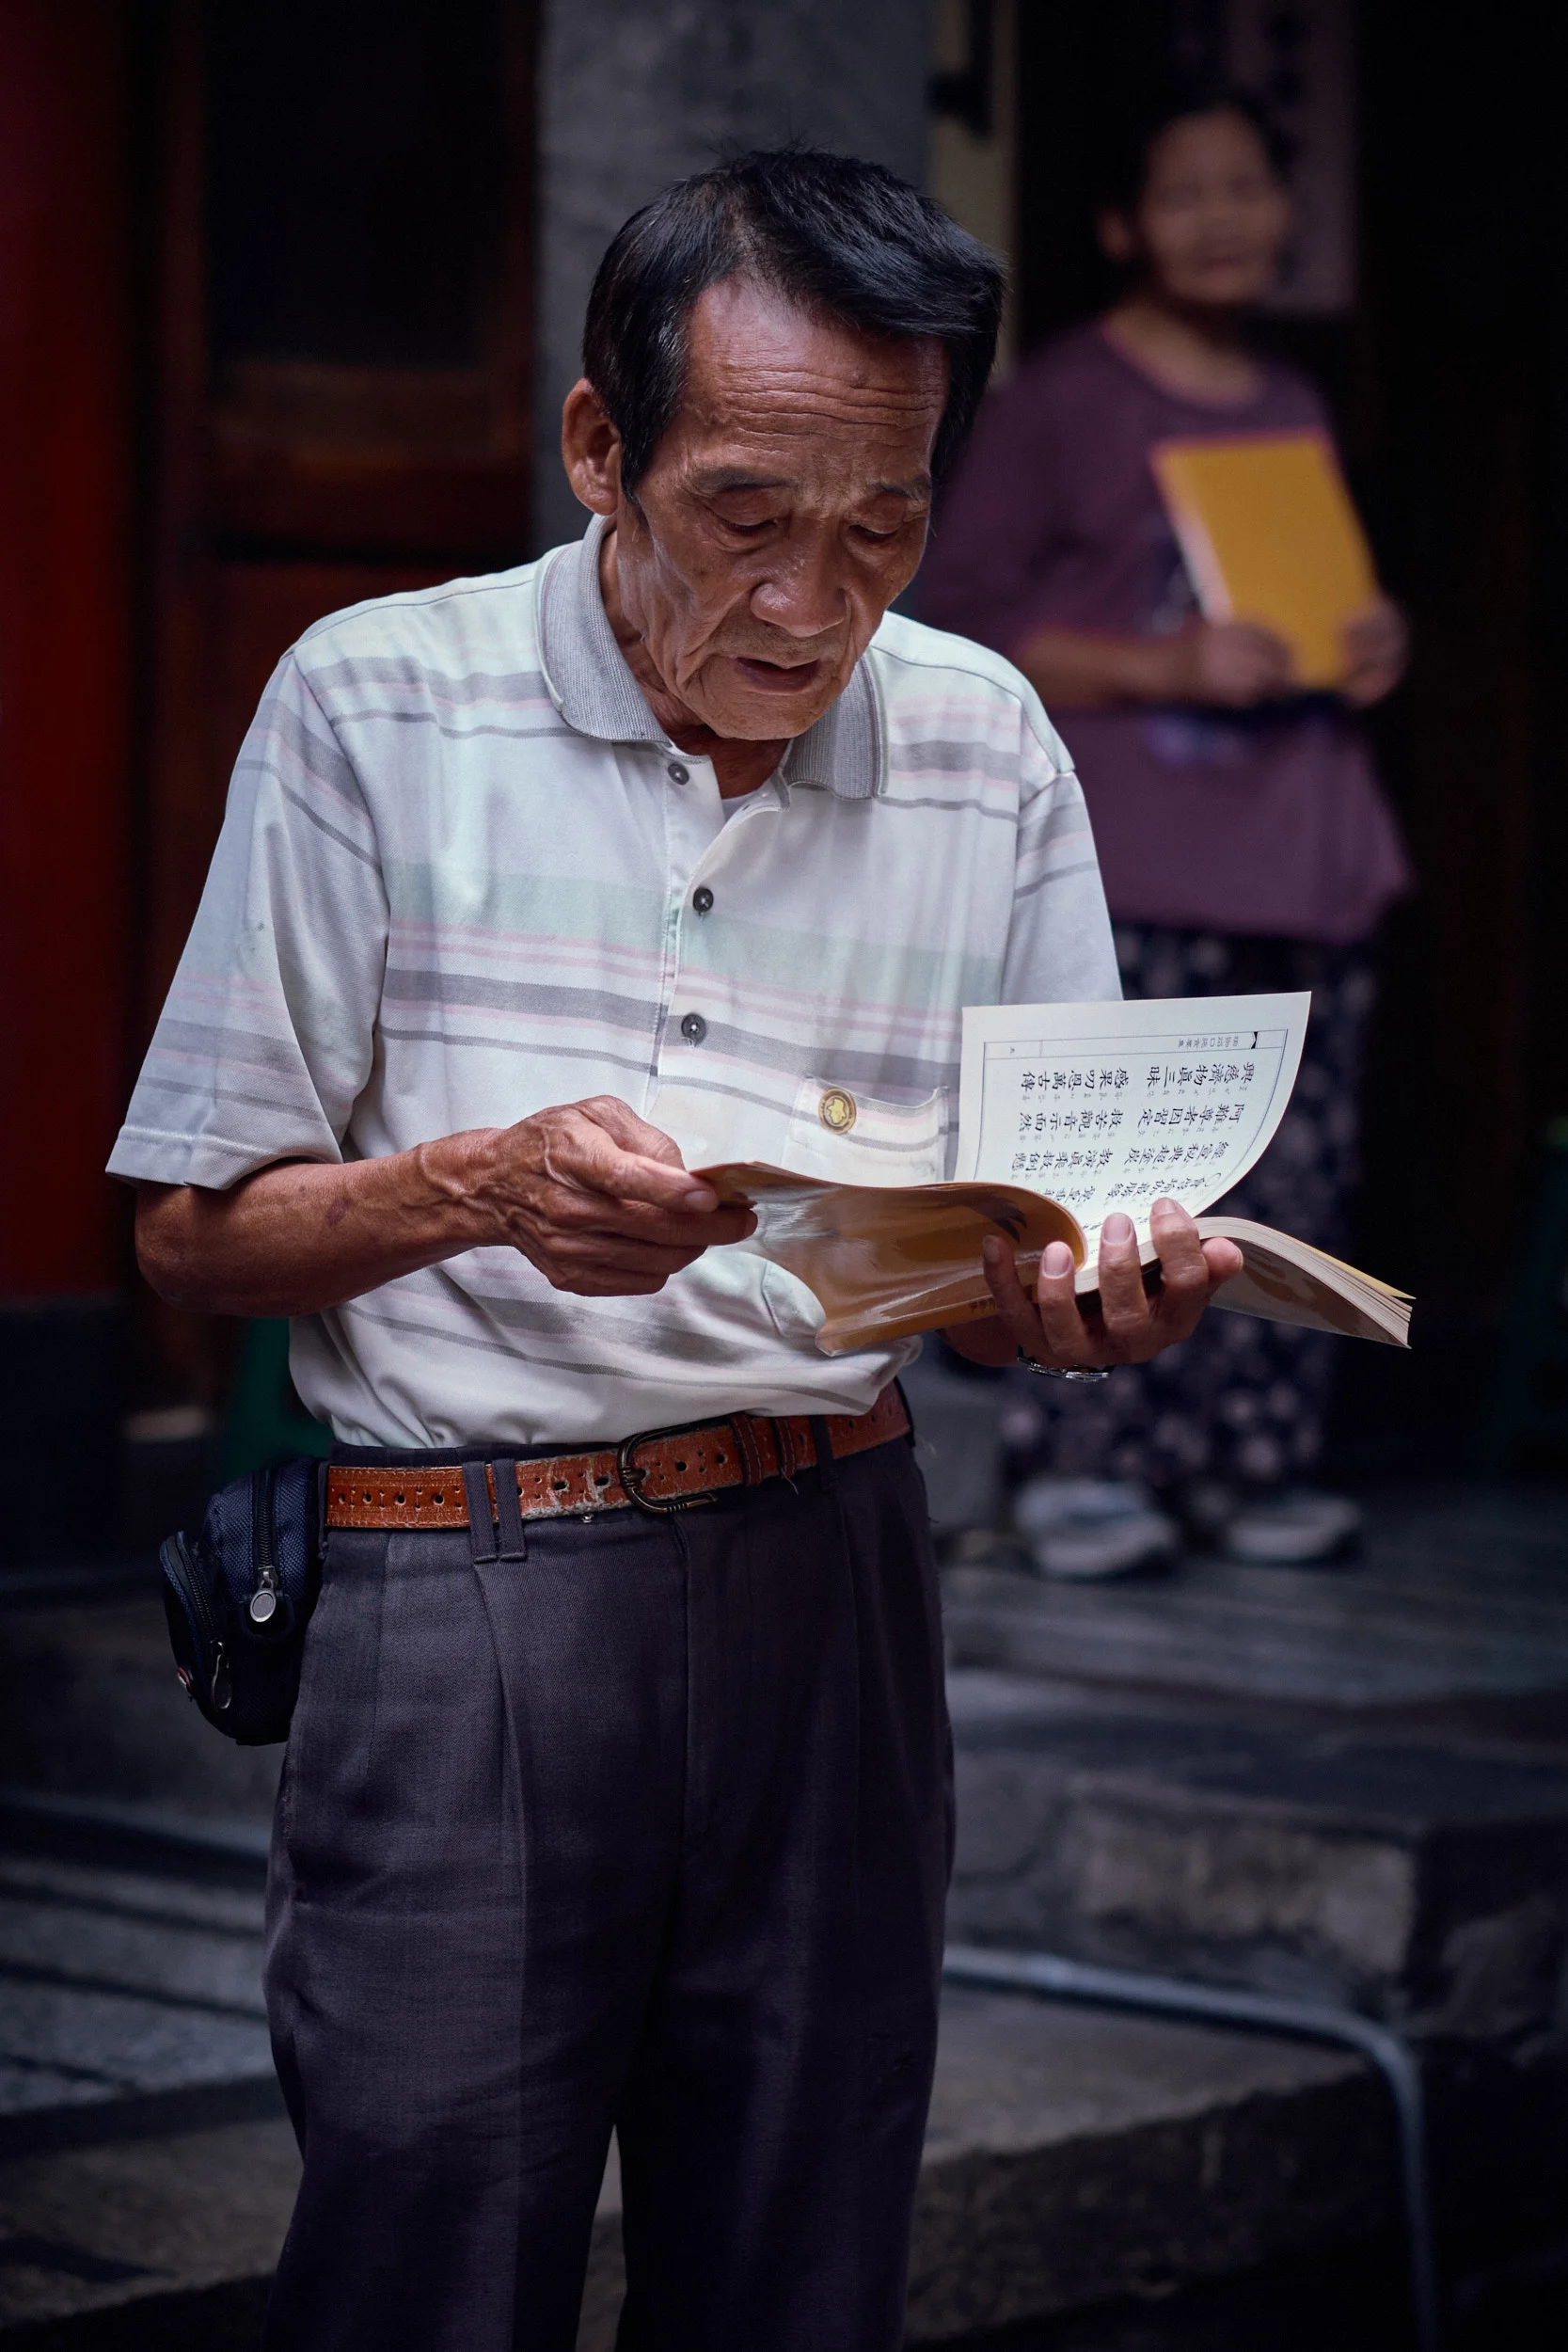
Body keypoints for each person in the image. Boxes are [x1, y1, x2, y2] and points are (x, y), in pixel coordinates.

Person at [111, 152, 1242, 2352]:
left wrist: (1078, 1302)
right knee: (426, 2266)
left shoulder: (988, 745)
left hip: (832, 1570)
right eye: (743, 513)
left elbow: (1035, 1246)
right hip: (468, 1590)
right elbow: (189, 1231)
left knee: (799, 2264)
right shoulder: (375, 703)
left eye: (882, 526)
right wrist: (481, 1184)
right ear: (596, 449)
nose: (812, 604)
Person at [919, 87, 1412, 1579]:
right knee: (1113, 1175)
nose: (1223, 218)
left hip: (1300, 843)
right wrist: (1164, 669)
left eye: (1247, 188)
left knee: (1292, 1181)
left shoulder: (1291, 403)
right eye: (1184, 191)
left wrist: (1368, 640)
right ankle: (1085, 1465)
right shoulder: (1061, 399)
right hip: (1137, 847)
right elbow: (964, 622)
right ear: (1121, 225)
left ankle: (1254, 1469)